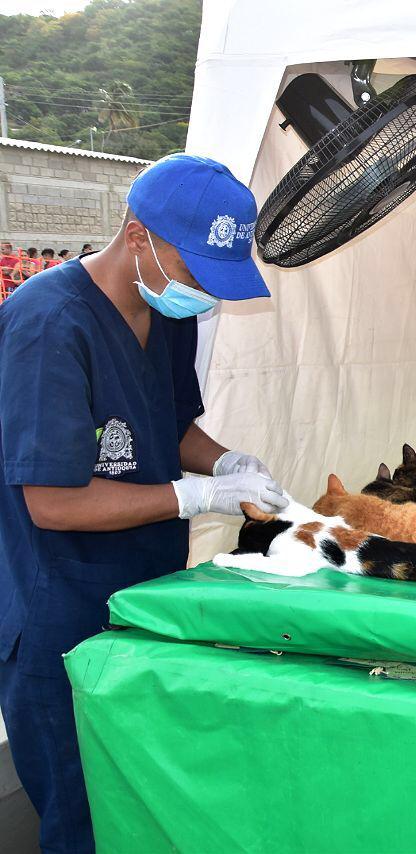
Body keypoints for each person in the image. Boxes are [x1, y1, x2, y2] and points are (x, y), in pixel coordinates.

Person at [0, 153, 287, 852]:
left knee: (142, 795)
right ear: (137, 236)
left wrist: (225, 462)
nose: (203, 294)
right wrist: (196, 496)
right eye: (196, 273)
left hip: (140, 597)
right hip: (58, 612)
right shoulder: (46, 324)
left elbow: (171, 422)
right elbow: (53, 503)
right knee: (83, 814)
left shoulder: (167, 314)